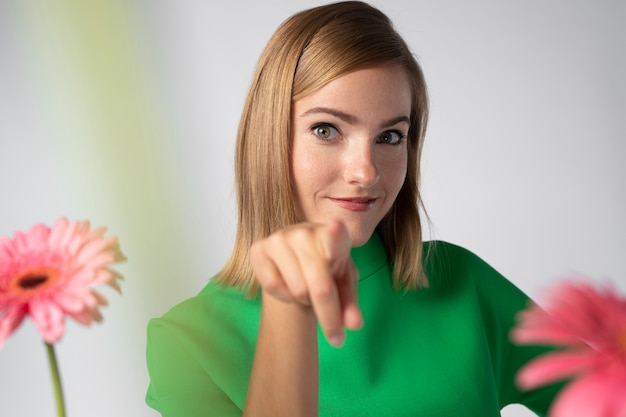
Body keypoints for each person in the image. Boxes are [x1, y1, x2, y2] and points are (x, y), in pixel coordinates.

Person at [145, 2, 562, 416]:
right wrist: (289, 306)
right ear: (270, 138)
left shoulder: (463, 284)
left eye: (390, 137)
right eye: (326, 130)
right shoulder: (188, 342)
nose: (365, 172)